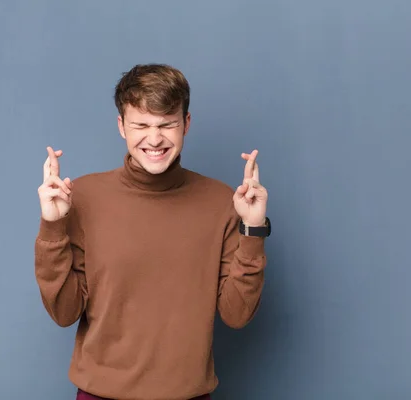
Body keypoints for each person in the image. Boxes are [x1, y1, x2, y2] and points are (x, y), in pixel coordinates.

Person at [34, 64, 272, 400]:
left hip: (187, 394)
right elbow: (63, 312)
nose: (155, 138)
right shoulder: (82, 197)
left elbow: (237, 315)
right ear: (121, 127)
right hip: (100, 394)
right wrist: (53, 225)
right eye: (141, 125)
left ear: (186, 124)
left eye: (167, 124)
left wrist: (253, 229)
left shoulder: (222, 201)